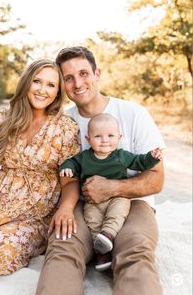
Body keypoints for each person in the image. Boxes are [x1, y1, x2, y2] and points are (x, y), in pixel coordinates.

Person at [36, 46, 165, 295]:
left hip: (133, 202)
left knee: (134, 250)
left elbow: (157, 179)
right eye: (69, 78)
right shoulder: (64, 122)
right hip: (83, 204)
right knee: (63, 247)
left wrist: (113, 188)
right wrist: (65, 207)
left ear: (97, 74)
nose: (78, 83)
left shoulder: (133, 114)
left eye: (84, 73)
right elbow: (66, 173)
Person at [0, 59, 80, 279]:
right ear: (26, 83)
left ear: (58, 91)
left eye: (51, 85)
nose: (43, 90)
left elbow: (69, 180)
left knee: (3, 250)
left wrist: (66, 208)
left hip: (35, 215)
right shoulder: (4, 118)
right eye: (37, 81)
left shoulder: (65, 128)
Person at [59, 113, 163, 271]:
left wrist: (152, 157)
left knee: (117, 213)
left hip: (117, 197)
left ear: (119, 137)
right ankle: (102, 253)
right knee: (92, 221)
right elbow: (71, 162)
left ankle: (108, 234)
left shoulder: (121, 156)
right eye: (98, 136)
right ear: (88, 139)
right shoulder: (85, 157)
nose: (105, 140)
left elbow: (140, 161)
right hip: (92, 201)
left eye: (110, 135)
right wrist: (67, 168)